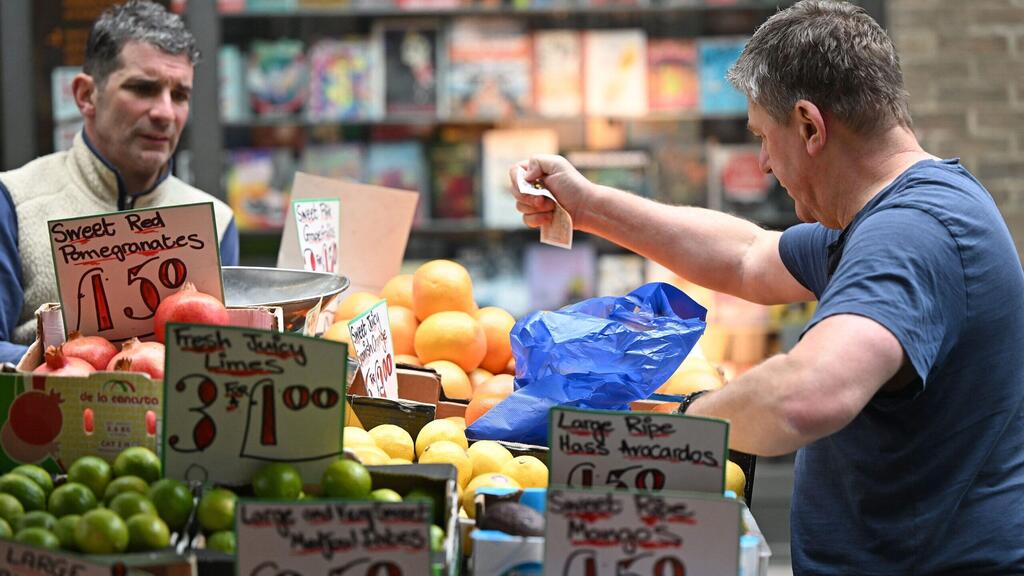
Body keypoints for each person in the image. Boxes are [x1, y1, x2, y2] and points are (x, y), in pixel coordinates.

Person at [511, 1, 1024, 573]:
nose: (762, 165)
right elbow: (747, 256)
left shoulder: (911, 233)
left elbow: (807, 394)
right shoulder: (894, 215)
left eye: (763, 135)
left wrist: (662, 431)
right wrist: (587, 205)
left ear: (809, 126)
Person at [0, 0, 238, 364]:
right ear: (85, 95)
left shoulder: (216, 221)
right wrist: (74, 368)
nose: (164, 112)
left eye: (180, 95)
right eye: (143, 89)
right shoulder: (14, 199)